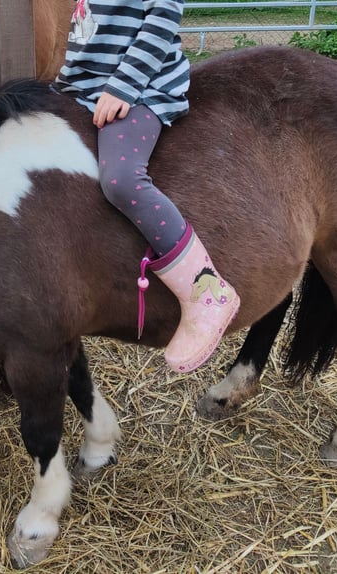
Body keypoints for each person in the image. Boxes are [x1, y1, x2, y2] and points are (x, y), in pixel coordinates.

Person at [53, 0, 240, 372]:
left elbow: (163, 15)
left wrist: (123, 87)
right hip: (82, 87)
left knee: (121, 179)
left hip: (141, 89)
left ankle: (207, 292)